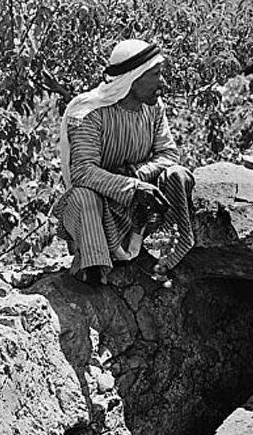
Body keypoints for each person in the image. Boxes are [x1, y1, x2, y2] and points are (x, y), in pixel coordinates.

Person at [53, 38, 195, 285]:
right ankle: (95, 267)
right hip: (103, 205)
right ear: (134, 78)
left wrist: (137, 176)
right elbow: (83, 172)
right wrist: (131, 188)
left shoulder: (153, 107)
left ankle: (165, 256)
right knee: (82, 196)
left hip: (142, 205)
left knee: (177, 175)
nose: (163, 82)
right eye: (156, 75)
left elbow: (169, 154)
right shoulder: (88, 114)